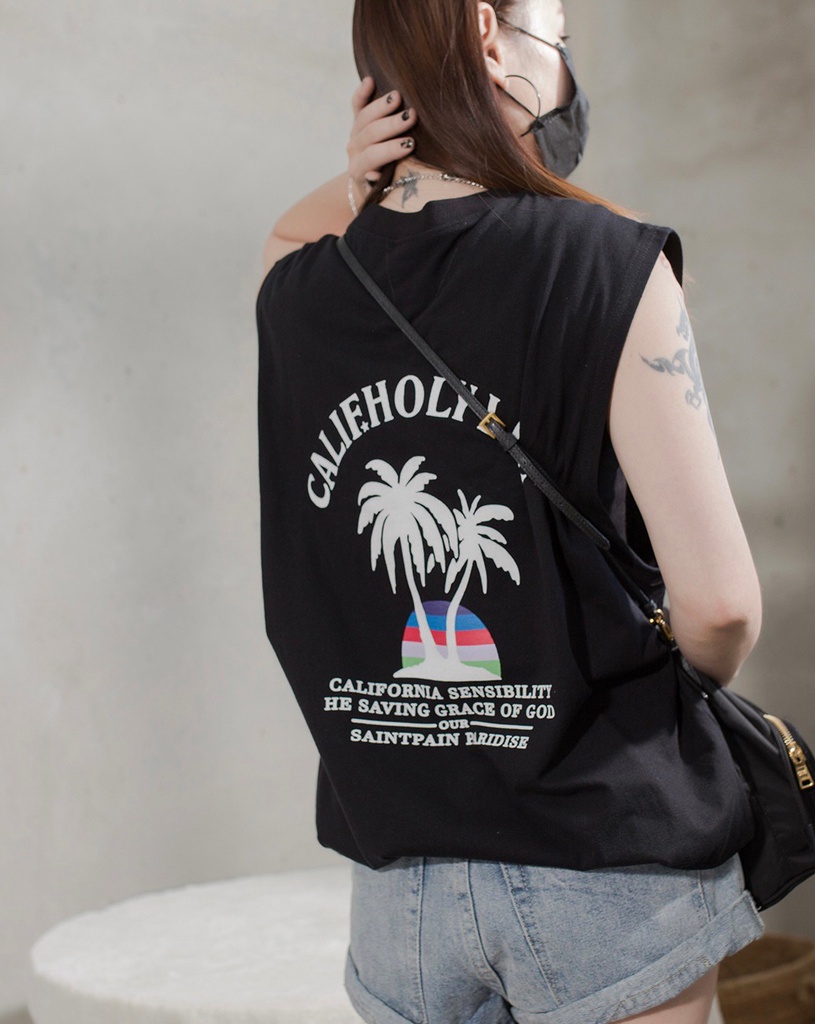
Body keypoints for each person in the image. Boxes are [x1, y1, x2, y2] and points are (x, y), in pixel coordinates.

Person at [256, 1, 764, 1021]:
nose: (566, 64)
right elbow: (721, 607)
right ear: (490, 33)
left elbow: (288, 233)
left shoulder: (295, 289)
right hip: (608, 862)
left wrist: (364, 181)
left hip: (400, 897)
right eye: (557, 31)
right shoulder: (614, 264)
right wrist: (654, 713)